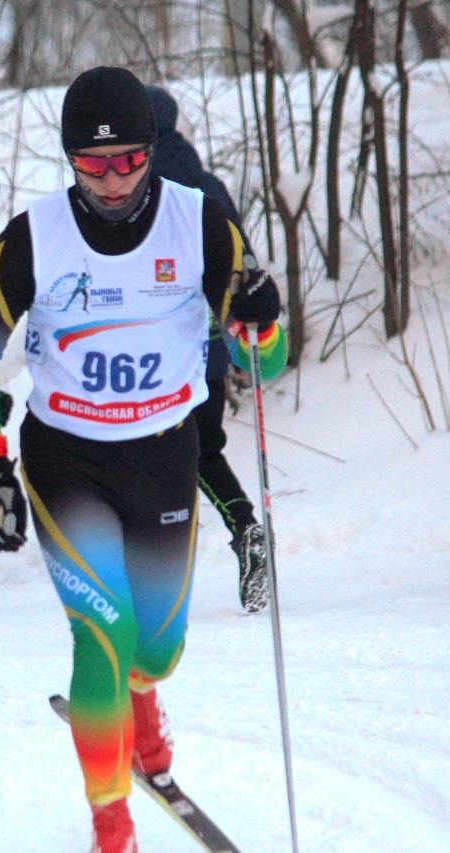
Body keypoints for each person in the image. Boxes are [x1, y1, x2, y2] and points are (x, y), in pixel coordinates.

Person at [0, 67, 282, 852]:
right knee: (100, 631)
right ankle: (113, 830)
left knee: (157, 647)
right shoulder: (34, 235)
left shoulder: (199, 224)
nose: (111, 178)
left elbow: (264, 364)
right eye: (91, 163)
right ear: (70, 160)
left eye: (129, 159)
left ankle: (143, 707)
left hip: (166, 453)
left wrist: (264, 323)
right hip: (68, 460)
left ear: (152, 150)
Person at [145, 83, 285, 613]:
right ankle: (246, 527)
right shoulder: (207, 185)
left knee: (143, 454)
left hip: (152, 350)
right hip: (208, 344)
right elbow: (242, 261)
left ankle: (149, 571)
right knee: (202, 449)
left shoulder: (137, 189)